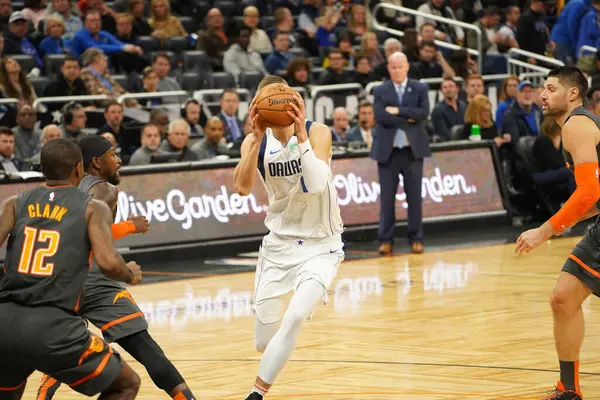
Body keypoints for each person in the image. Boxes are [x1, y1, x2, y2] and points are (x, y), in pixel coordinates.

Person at [36, 135, 197, 400]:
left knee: (67, 345)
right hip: (94, 281)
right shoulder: (104, 189)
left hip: (60, 282)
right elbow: (86, 232)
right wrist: (131, 226)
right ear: (97, 163)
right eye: (113, 154)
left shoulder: (64, 189)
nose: (119, 159)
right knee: (147, 350)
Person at [0, 138, 142, 399]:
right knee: (126, 383)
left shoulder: (14, 203)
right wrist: (129, 273)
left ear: (43, 169)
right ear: (79, 169)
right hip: (53, 325)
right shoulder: (92, 207)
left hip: (5, 321)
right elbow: (109, 264)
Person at [233, 75, 344, 400]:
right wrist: (253, 141)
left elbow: (316, 185)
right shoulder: (256, 142)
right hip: (279, 246)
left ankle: (255, 394)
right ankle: (280, 340)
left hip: (322, 244)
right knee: (263, 342)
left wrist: (300, 136)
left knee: (294, 317)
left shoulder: (318, 132)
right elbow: (240, 188)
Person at [515, 66, 600, 400]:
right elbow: (595, 198)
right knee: (564, 298)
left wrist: (544, 232)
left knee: (564, 297)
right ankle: (569, 389)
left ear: (573, 93)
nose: (543, 95)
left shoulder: (577, 124)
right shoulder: (579, 125)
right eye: (543, 89)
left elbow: (589, 192)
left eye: (551, 88)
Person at [371, 51, 430, 255]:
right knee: (387, 199)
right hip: (388, 152)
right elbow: (380, 116)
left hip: (413, 151)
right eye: (393, 67)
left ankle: (416, 238)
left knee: (415, 197)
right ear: (388, 68)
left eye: (400, 66)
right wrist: (408, 117)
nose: (397, 70)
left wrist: (397, 111)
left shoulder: (420, 88)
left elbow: (423, 113)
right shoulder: (380, 90)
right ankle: (386, 240)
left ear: (407, 67)